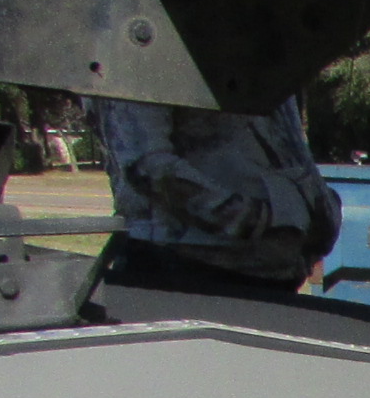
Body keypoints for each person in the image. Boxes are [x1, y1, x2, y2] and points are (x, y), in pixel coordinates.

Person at [85, 94, 338, 289]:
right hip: (185, 272)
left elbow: (288, 143)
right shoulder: (149, 53)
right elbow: (146, 165)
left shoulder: (256, 51)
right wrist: (256, 219)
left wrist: (320, 212)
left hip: (272, 272)